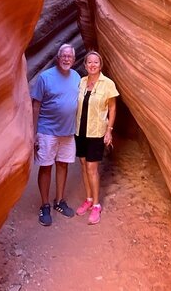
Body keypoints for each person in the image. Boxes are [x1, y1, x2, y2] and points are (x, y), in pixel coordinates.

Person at [31, 43, 80, 226]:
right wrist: (34, 132)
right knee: (46, 166)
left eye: (70, 56)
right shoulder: (45, 77)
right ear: (58, 58)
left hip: (67, 132)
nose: (67, 59)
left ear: (74, 60)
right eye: (64, 56)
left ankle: (59, 201)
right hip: (47, 131)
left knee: (63, 165)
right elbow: (36, 105)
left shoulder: (76, 77)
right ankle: (45, 205)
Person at [74, 50, 119, 224]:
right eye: (89, 62)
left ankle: (97, 206)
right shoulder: (81, 82)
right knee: (84, 165)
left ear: (101, 65)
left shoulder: (107, 84)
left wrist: (109, 130)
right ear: (85, 65)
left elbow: (113, 108)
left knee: (92, 168)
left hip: (96, 132)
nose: (92, 65)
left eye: (96, 63)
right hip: (80, 131)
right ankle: (89, 199)